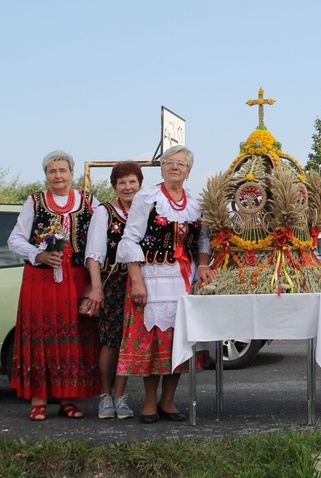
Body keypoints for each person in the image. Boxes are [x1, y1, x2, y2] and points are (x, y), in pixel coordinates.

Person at [115, 145, 216, 424]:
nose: (174, 167)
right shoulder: (148, 197)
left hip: (184, 282)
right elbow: (129, 239)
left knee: (178, 343)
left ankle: (168, 402)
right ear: (161, 167)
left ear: (188, 171)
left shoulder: (196, 203)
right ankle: (149, 404)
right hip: (152, 279)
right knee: (153, 345)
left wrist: (204, 265)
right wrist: (136, 281)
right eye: (169, 162)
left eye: (180, 164)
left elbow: (203, 242)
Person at [7, 150, 101, 420]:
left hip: (76, 278)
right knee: (41, 335)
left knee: (73, 335)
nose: (57, 175)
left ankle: (67, 399)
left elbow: (97, 241)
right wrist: (39, 254)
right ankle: (38, 399)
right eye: (52, 171)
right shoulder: (34, 202)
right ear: (46, 175)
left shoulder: (88, 201)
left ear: (72, 174)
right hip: (41, 280)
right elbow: (15, 239)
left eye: (62, 170)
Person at [84, 161, 143, 419]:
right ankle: (105, 395)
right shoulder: (104, 212)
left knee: (129, 341)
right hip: (114, 283)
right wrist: (97, 288)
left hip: (140, 283)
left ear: (140, 184)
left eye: (132, 182)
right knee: (110, 341)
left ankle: (121, 395)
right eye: (122, 183)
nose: (128, 187)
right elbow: (94, 254)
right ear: (114, 186)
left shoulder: (146, 211)